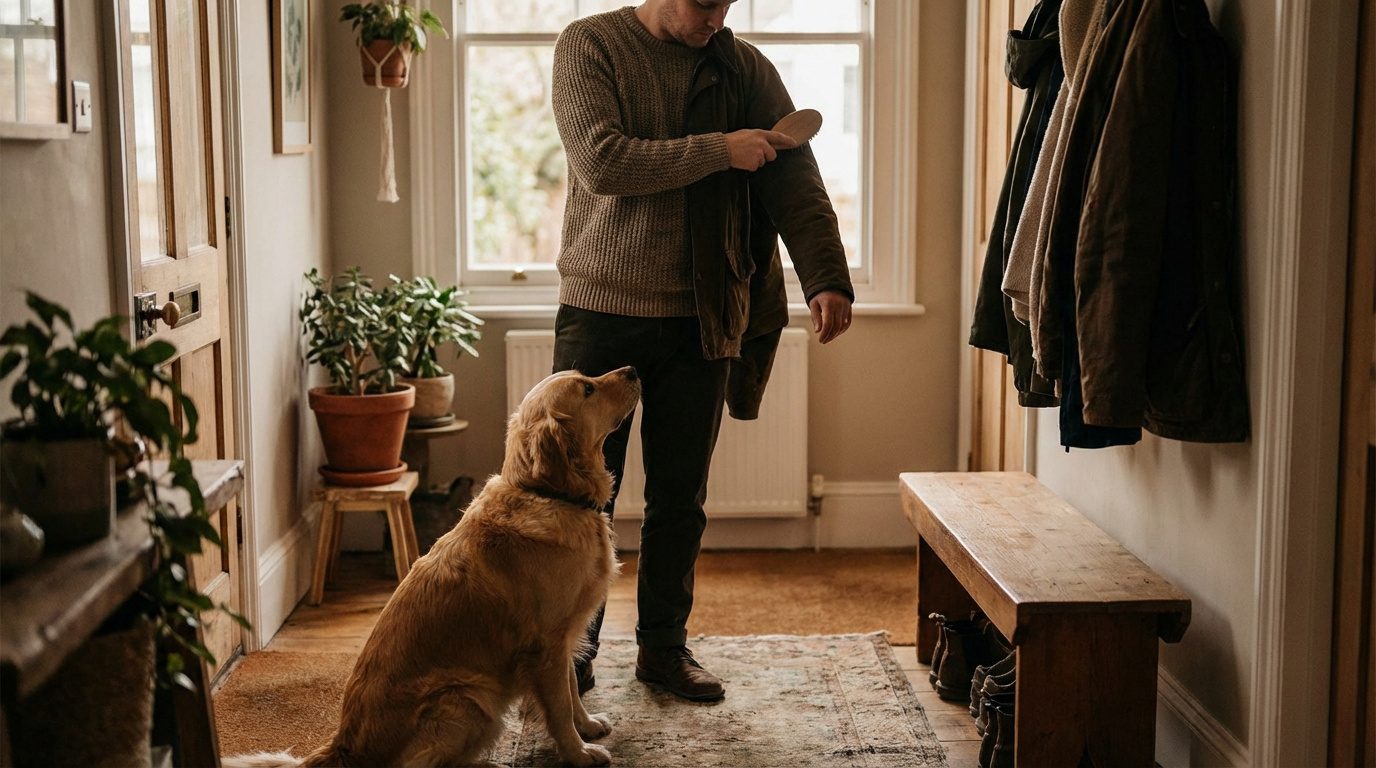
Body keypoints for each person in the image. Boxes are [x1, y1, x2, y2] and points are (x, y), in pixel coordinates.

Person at [550, 0, 854, 702]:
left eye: (726, 5)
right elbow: (601, 162)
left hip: (703, 315)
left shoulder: (742, 66)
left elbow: (795, 181)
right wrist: (721, 149)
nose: (716, 19)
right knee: (582, 500)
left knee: (680, 500)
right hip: (601, 313)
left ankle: (663, 650)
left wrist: (827, 278)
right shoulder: (589, 45)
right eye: (703, 5)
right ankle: (573, 651)